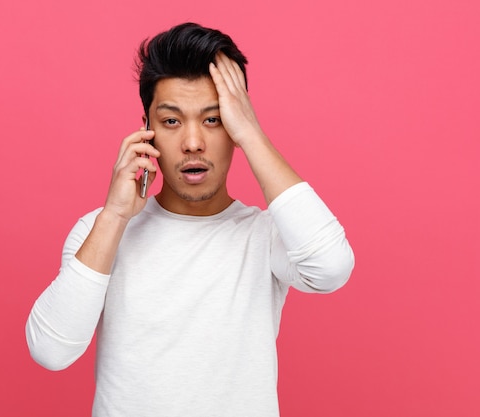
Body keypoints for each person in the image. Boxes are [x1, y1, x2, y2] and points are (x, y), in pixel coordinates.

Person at [26, 22, 354, 417]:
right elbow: (51, 350)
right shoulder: (100, 231)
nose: (193, 142)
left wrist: (251, 132)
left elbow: (331, 267)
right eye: (171, 121)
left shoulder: (265, 236)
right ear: (146, 130)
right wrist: (114, 215)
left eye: (214, 120)